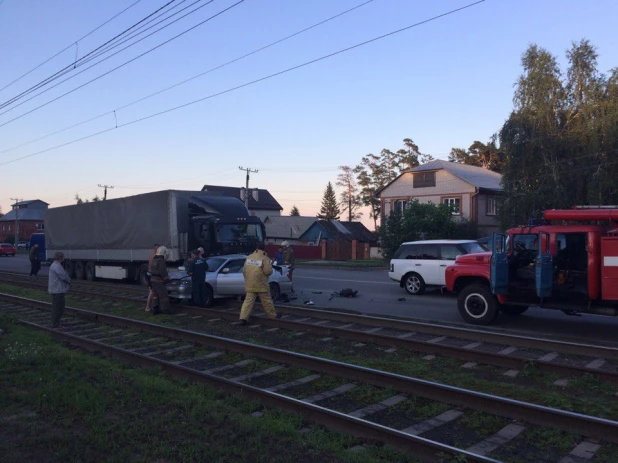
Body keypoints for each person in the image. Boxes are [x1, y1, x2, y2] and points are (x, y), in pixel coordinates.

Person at [239, 242, 282, 326]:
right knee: (267, 301)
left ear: (257, 248)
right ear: (264, 249)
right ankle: (273, 316)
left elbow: (244, 271)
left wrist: (248, 280)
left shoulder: (249, 257)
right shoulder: (264, 258)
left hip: (250, 284)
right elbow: (268, 272)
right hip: (261, 284)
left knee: (247, 302)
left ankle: (243, 318)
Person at [48, 252, 71, 328]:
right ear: (61, 258)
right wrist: (69, 281)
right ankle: (56, 323)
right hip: (58, 290)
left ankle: (56, 322)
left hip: (56, 289)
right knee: (58, 308)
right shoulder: (57, 266)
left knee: (57, 307)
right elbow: (63, 276)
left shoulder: (55, 265)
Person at [149, 245, 172, 315]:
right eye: (166, 255)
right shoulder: (161, 261)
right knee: (163, 296)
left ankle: (155, 309)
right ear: (164, 253)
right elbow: (163, 272)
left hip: (153, 281)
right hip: (159, 281)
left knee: (155, 296)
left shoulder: (154, 259)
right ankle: (165, 309)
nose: (167, 257)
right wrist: (167, 280)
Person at [144, 243, 160, 312]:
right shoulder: (155, 256)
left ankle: (151, 306)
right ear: (156, 249)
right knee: (152, 291)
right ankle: (147, 307)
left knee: (150, 291)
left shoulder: (151, 255)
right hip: (152, 274)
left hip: (149, 274)